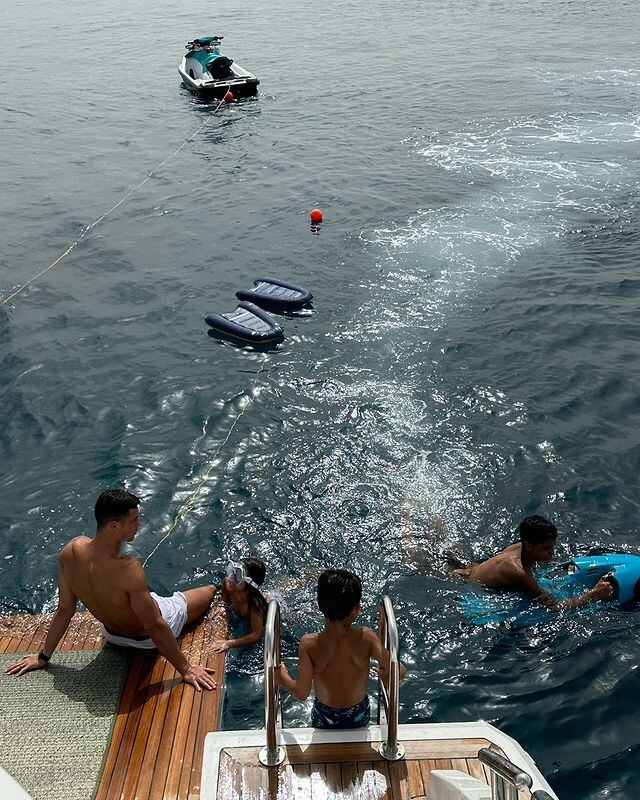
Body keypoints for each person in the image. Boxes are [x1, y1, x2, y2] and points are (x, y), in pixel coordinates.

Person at [4, 489, 217, 691]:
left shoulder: (71, 551)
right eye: (133, 520)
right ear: (114, 526)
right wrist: (187, 670)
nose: (139, 524)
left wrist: (43, 657)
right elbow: (154, 625)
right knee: (208, 591)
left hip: (112, 635)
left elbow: (65, 610)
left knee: (143, 598)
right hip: (146, 640)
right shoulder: (129, 568)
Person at [275, 568, 405, 729]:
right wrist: (387, 675)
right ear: (356, 609)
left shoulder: (309, 644)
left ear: (318, 601)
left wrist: (282, 678)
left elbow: (301, 693)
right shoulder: (367, 638)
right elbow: (399, 672)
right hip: (358, 713)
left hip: (325, 714)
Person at [449, 514, 614, 608]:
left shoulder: (520, 547)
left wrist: (576, 569)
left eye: (552, 547)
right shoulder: (519, 573)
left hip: (468, 568)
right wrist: (594, 595)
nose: (551, 553)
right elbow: (556, 607)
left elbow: (550, 564)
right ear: (529, 545)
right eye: (546, 549)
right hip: (464, 582)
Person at [212, 557, 268, 652]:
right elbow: (223, 602)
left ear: (249, 582)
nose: (231, 578)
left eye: (238, 575)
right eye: (231, 570)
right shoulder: (228, 584)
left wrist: (229, 643)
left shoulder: (254, 603)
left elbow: (256, 635)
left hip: (261, 622)